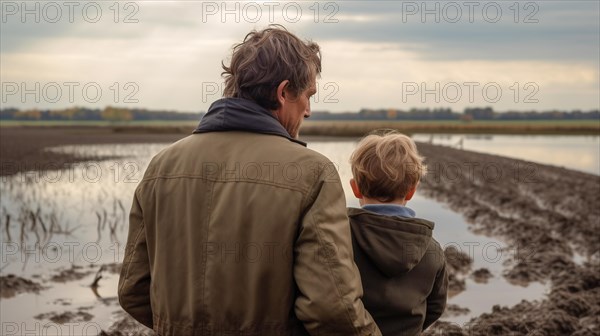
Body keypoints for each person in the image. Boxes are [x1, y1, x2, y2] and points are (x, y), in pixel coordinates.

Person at [118, 25, 381, 336]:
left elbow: (133, 290)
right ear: (283, 92)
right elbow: (331, 308)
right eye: (308, 96)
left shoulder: (160, 168)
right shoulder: (313, 172)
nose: (309, 111)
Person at [348, 131, 448, 336]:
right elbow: (436, 306)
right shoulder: (432, 249)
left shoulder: (340, 235)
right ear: (412, 191)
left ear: (355, 188)